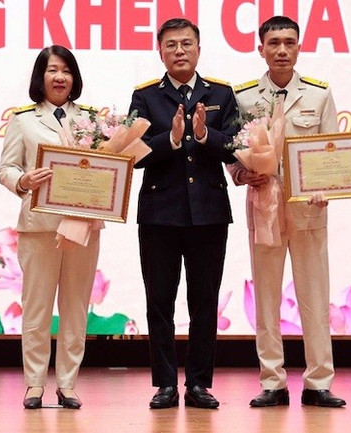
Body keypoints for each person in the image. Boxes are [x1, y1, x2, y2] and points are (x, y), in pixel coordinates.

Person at [228, 16, 347, 408]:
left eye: (289, 42)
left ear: (299, 47)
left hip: (307, 210)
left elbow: (332, 151)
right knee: (266, 299)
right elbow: (232, 151)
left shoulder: (319, 95)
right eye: (274, 42)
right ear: (260, 48)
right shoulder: (243, 97)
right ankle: (272, 382)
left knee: (315, 297)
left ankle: (318, 382)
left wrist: (327, 186)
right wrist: (241, 174)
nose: (282, 50)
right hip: (264, 207)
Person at [129, 18, 240, 410]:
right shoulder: (145, 96)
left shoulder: (222, 93)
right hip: (159, 214)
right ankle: (164, 384)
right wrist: (172, 139)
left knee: (204, 302)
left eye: (187, 43)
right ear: (160, 51)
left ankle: (198, 384)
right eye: (171, 44)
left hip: (209, 213)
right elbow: (133, 153)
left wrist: (206, 135)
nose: (179, 50)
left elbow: (238, 145)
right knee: (159, 301)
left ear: (198, 49)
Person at [0, 45, 100, 410]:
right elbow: (6, 168)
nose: (60, 77)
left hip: (82, 227)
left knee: (75, 308)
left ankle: (68, 384)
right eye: (53, 70)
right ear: (40, 77)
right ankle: (34, 384)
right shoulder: (23, 119)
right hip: (39, 227)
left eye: (67, 71)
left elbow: (106, 166)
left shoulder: (92, 120)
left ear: (75, 78)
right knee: (37, 308)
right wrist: (23, 180)